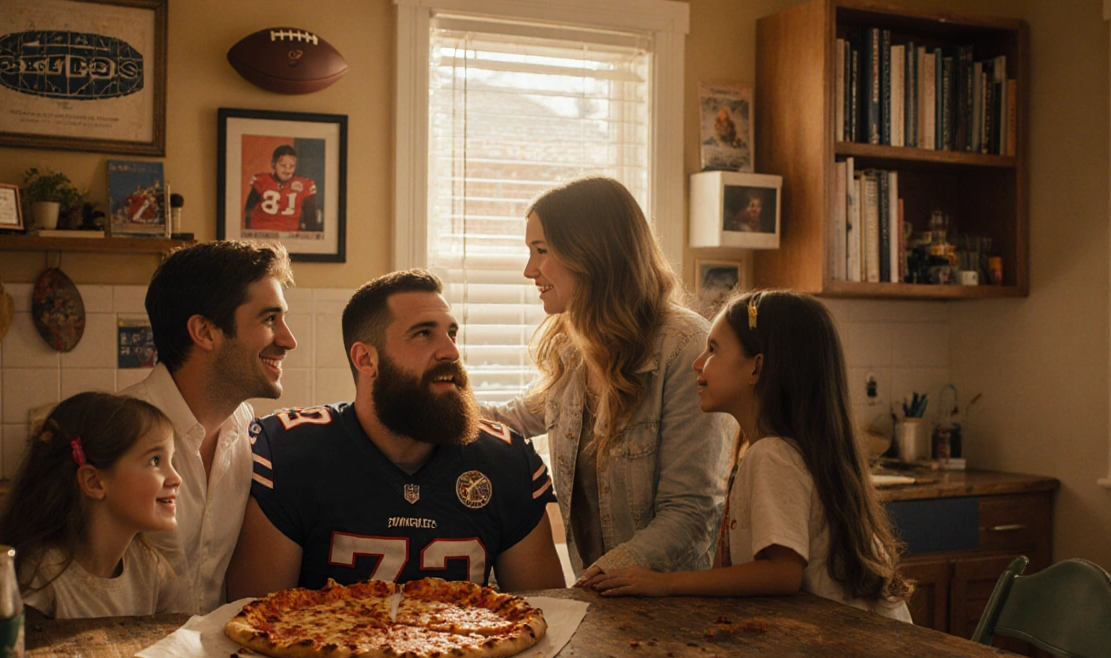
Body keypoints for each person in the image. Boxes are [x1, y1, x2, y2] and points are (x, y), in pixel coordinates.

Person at [226, 270, 566, 597]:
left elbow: (545, 617)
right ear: (365, 359)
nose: (451, 352)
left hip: (465, 637)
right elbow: (258, 622)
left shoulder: (507, 460)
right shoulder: (289, 452)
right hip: (320, 637)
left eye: (451, 334)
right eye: (424, 333)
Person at [585, 291, 914, 622]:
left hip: (857, 647)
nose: (697, 363)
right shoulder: (779, 452)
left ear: (756, 367)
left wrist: (664, 583)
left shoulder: (773, 455)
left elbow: (782, 573)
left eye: (713, 349)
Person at [481, 176, 734, 586]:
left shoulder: (684, 348)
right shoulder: (573, 348)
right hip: (601, 597)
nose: (529, 270)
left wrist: (597, 580)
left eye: (541, 251)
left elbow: (690, 514)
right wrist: (431, 402)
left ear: (590, 252)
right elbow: (512, 419)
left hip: (672, 605)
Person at [120, 240, 296, 613]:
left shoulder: (246, 426)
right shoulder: (117, 433)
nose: (288, 341)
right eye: (270, 320)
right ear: (204, 332)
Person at [0, 392, 185, 618]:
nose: (176, 478)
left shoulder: (152, 570)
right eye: (155, 461)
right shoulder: (40, 580)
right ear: (93, 482)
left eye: (172, 461)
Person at [245, 144, 319, 232]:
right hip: (261, 232)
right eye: (283, 165)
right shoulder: (261, 181)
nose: (287, 169)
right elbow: (248, 211)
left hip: (289, 234)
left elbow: (311, 220)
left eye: (291, 166)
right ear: (273, 164)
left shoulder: (304, 185)